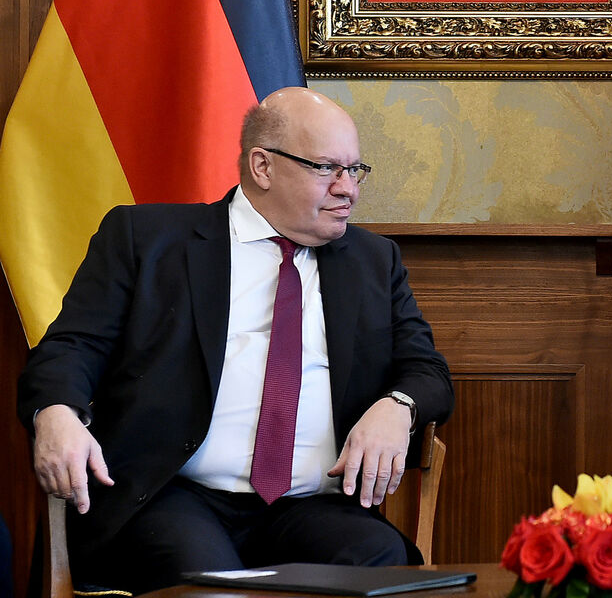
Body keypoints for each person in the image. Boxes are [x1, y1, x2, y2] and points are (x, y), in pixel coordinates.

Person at [18, 87, 454, 592]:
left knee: (382, 559)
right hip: (174, 496)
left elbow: (428, 370)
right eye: (327, 169)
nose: (348, 189)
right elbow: (71, 347)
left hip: (312, 507)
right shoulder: (147, 239)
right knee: (209, 582)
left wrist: (398, 407)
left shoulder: (374, 261)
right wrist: (56, 412)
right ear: (262, 166)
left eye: (355, 170)